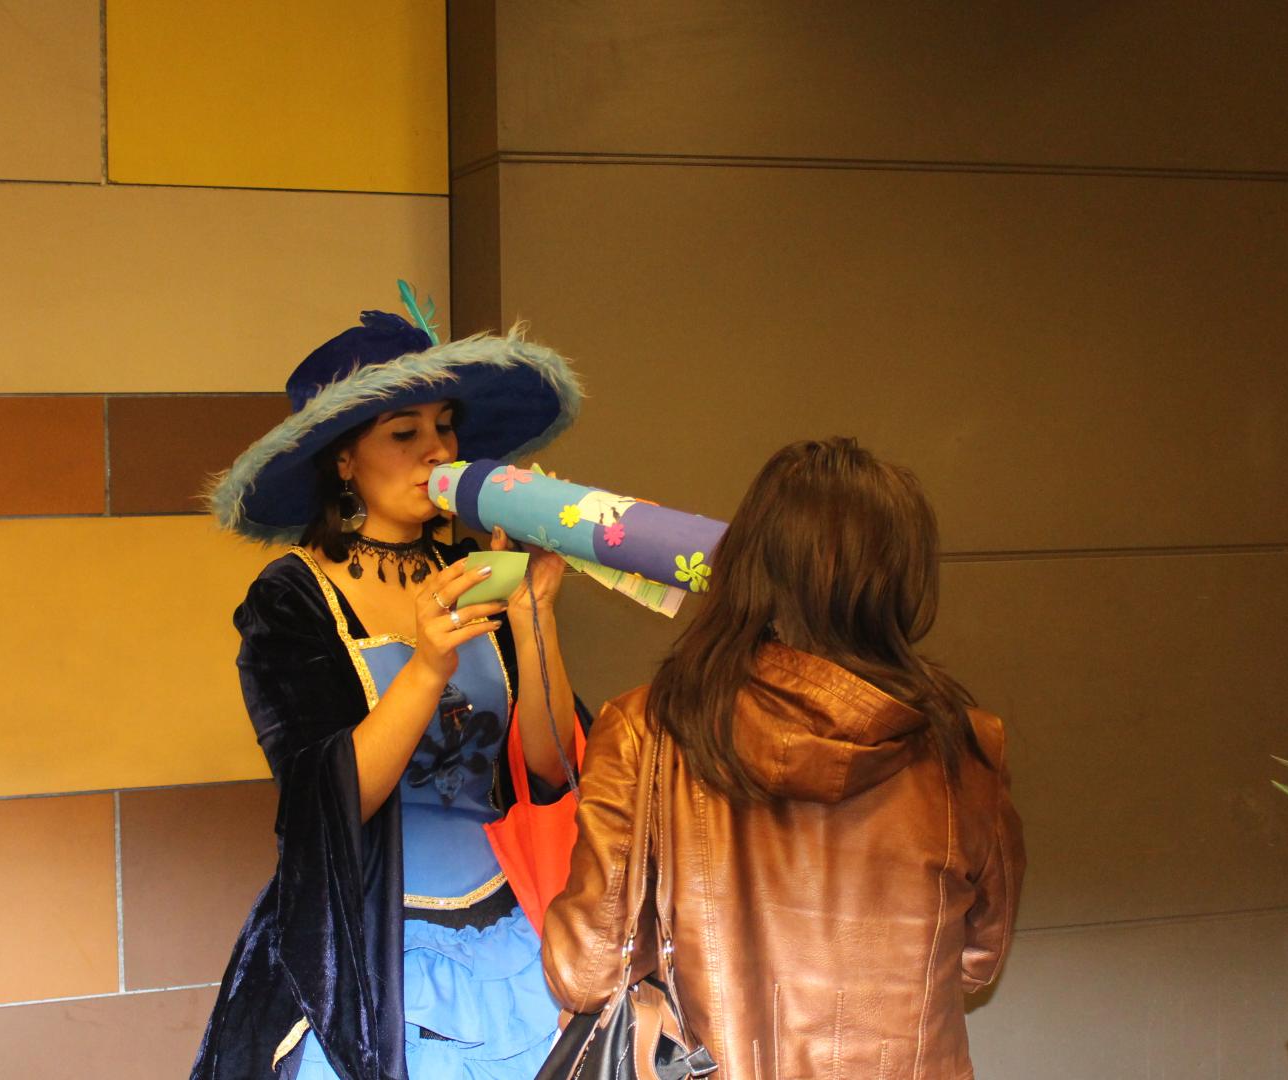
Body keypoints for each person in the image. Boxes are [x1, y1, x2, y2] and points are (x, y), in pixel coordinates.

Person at [539, 436, 1026, 1078]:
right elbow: (977, 961)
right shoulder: (965, 745)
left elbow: (586, 972)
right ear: (901, 580)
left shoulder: (645, 730)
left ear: (748, 564)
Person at [191, 301, 585, 1080]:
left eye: (445, 426)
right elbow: (325, 800)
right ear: (344, 458)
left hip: (515, 932)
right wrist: (429, 666)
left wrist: (535, 611)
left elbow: (548, 769)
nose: (436, 450)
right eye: (404, 433)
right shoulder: (292, 596)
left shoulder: (480, 572)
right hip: (366, 943)